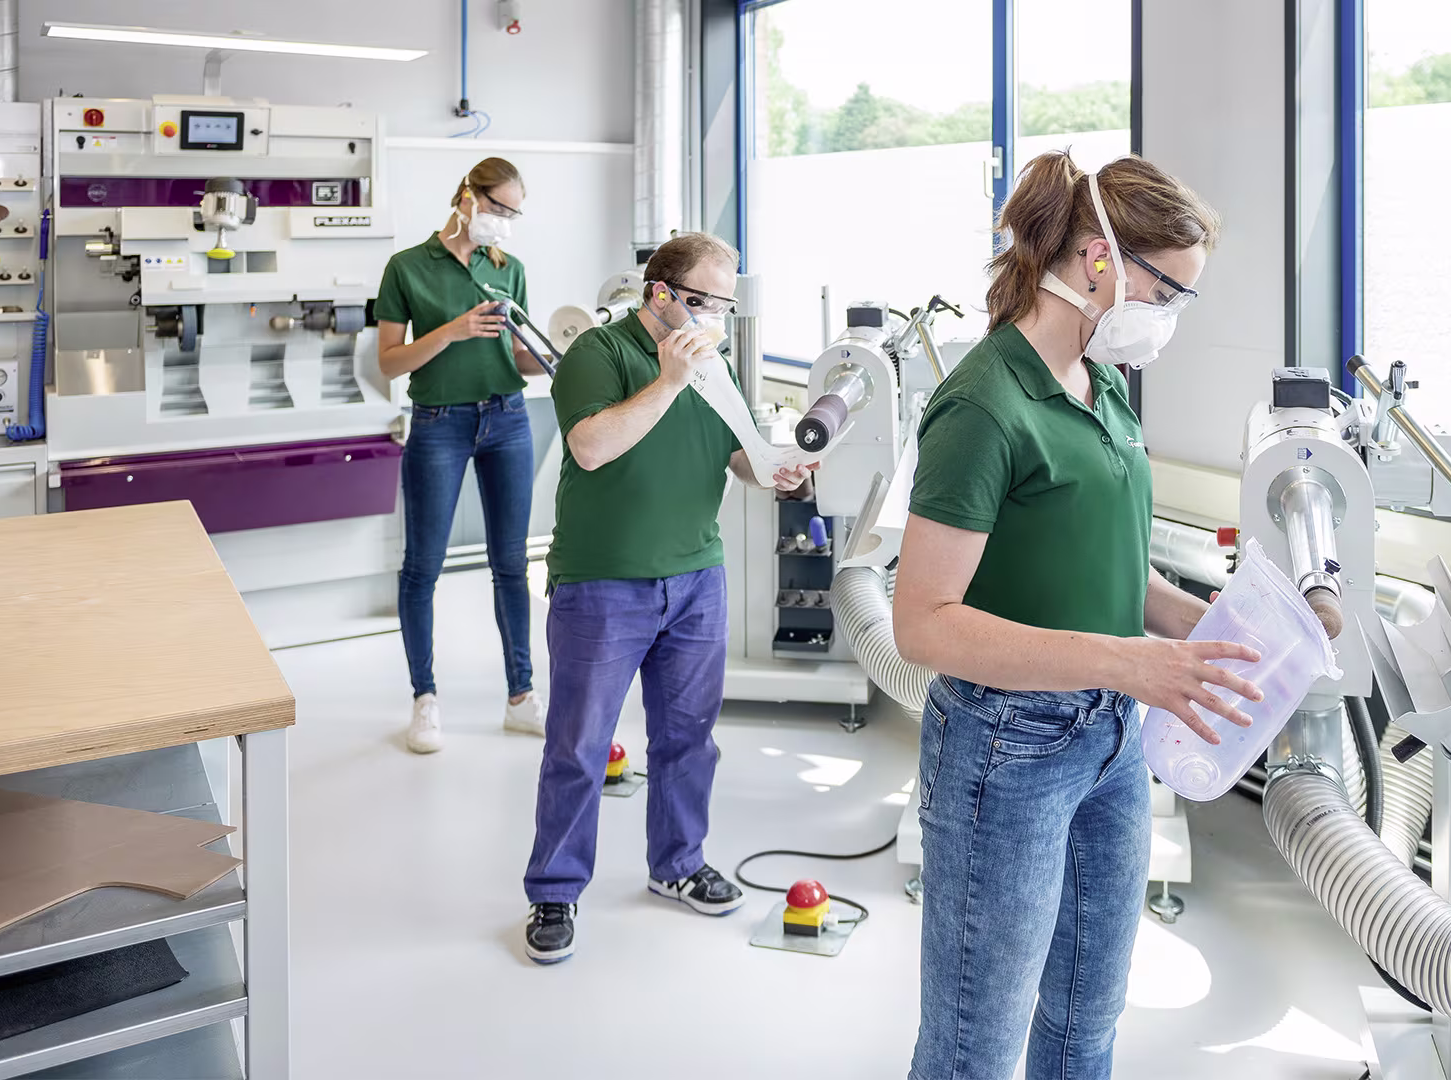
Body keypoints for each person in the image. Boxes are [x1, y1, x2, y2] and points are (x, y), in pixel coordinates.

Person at [892, 151, 1264, 1080]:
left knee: (1085, 1023)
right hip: (1005, 753)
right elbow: (924, 624)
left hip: (1107, 739)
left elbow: (1102, 561)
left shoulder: (1102, 390)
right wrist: (1128, 663)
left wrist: (1198, 620)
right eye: (1167, 288)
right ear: (1100, 260)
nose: (1171, 314)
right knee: (974, 1044)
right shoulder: (982, 407)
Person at [521, 232, 814, 965]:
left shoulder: (711, 367)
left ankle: (678, 864)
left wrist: (775, 472)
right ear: (661, 294)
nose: (715, 318)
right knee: (579, 746)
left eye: (726, 306)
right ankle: (555, 889)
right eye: (706, 302)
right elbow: (592, 446)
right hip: (603, 583)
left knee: (688, 738)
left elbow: (738, 452)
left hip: (695, 577)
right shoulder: (599, 353)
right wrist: (670, 380)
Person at [376, 158, 548, 755]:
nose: (504, 221)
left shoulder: (511, 270)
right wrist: (451, 329)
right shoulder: (406, 268)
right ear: (467, 197)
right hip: (438, 424)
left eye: (512, 212)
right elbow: (390, 363)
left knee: (511, 565)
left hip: (507, 419)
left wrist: (558, 350)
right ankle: (424, 698)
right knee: (423, 567)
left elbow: (520, 359)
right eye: (498, 207)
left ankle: (521, 697)